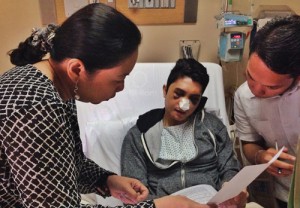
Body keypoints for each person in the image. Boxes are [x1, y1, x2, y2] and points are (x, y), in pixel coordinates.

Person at [0, 3, 215, 208]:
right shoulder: (35, 108)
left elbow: (67, 165)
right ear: (77, 70)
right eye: (119, 78)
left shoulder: (60, 88)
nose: (122, 88)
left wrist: (107, 180)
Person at [121, 58, 248, 207]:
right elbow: (134, 193)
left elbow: (229, 168)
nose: (184, 104)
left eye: (194, 99)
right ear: (165, 90)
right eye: (178, 94)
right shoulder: (139, 135)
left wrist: (231, 186)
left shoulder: (213, 127)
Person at [234, 15, 300, 208]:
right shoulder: (243, 96)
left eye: (271, 87)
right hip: (282, 193)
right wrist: (261, 156)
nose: (257, 89)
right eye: (250, 76)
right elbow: (249, 143)